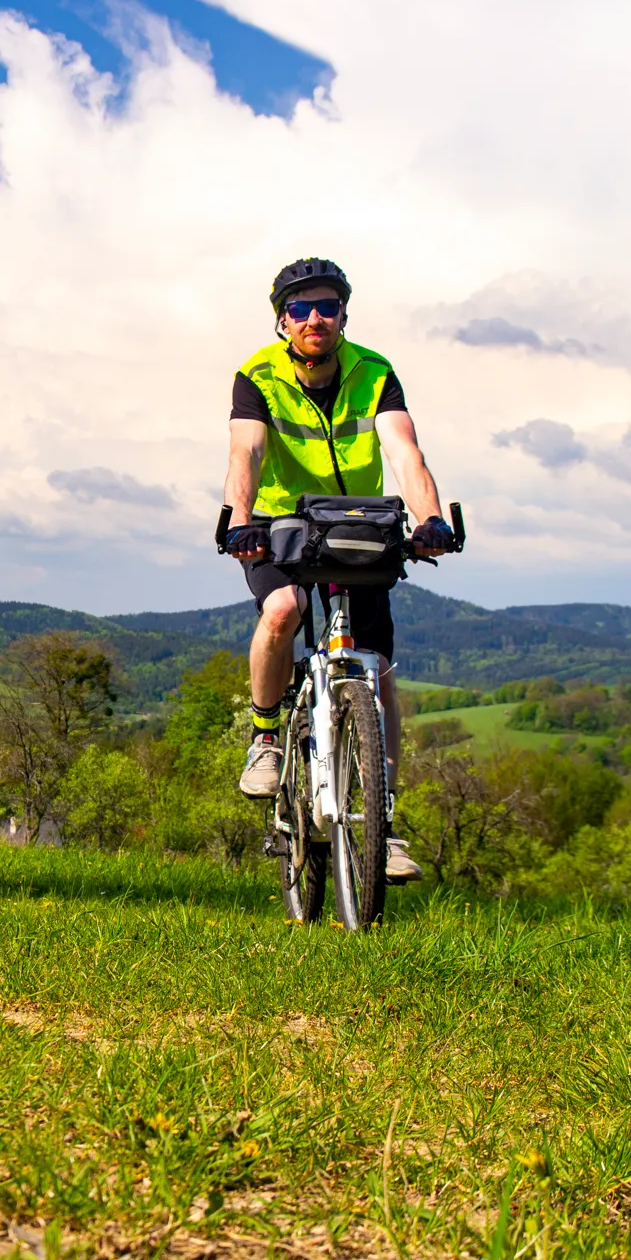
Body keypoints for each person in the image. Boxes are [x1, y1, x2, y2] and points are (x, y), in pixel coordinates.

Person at [221, 258, 454, 883]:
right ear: (282, 321)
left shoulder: (374, 371)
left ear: (344, 316)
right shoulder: (257, 376)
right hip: (280, 525)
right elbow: (246, 450)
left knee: (377, 676)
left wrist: (429, 517)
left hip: (360, 527)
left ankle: (385, 820)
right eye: (301, 309)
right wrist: (238, 517)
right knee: (283, 610)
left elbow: (404, 449)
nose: (315, 318)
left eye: (327, 307)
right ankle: (268, 736)